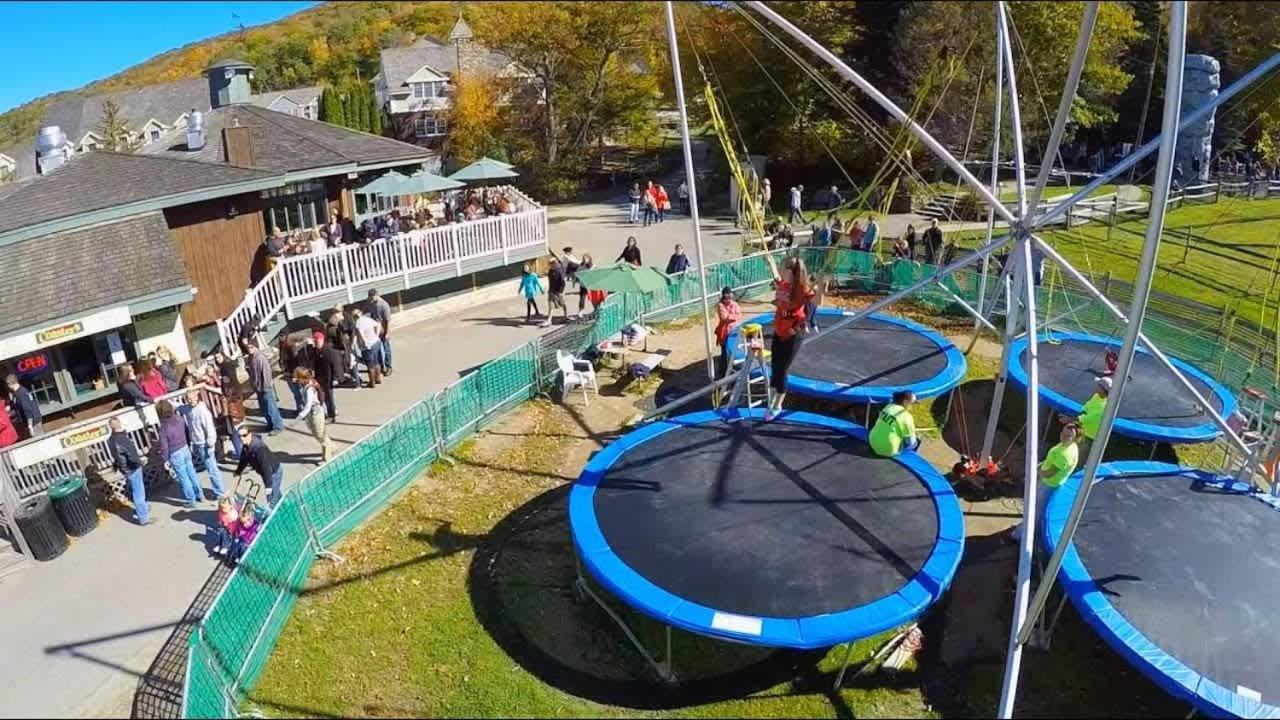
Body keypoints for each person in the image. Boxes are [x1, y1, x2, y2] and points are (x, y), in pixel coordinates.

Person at [767, 257, 814, 417]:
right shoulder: (784, 284)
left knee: (782, 369)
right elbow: (777, 278)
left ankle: (778, 405)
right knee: (774, 366)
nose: (780, 270)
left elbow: (816, 300)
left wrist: (821, 283)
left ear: (790, 272)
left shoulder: (801, 289)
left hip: (792, 333)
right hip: (779, 331)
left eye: (782, 268)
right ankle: (772, 397)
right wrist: (771, 264)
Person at [156, 400, 203, 508]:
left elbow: (164, 446)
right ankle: (199, 494)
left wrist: (165, 459)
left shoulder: (163, 428)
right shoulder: (179, 418)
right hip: (184, 447)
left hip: (174, 452)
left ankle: (191, 500)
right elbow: (186, 432)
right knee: (191, 472)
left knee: (183, 477)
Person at [107, 417, 150, 525]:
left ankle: (143, 509)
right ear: (119, 424)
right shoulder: (122, 439)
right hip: (132, 467)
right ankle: (143, 517)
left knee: (136, 490)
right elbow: (131, 455)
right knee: (139, 492)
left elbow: (118, 456)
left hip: (125, 469)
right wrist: (139, 463)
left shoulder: (110, 440)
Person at [184, 389, 226, 498]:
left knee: (212, 469)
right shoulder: (189, 409)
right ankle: (219, 491)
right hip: (197, 443)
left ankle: (220, 493)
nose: (190, 401)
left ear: (196, 397)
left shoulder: (202, 411)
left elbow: (210, 429)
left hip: (205, 444)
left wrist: (211, 444)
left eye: (192, 398)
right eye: (188, 399)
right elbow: (180, 407)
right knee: (210, 468)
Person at [235, 426, 284, 508]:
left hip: (274, 472)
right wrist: (238, 471)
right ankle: (283, 506)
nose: (241, 438)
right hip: (268, 472)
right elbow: (244, 459)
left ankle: (272, 515)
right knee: (276, 492)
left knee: (271, 499)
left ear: (250, 434)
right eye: (239, 436)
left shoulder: (258, 448)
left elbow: (266, 468)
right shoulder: (246, 446)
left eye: (244, 435)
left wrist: (268, 486)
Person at [293, 368, 333, 464]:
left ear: (302, 378)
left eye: (296, 377)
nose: (294, 380)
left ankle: (327, 457)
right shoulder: (306, 385)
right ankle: (330, 446)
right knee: (317, 433)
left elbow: (308, 405)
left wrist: (297, 418)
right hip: (311, 414)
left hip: (316, 413)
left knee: (320, 436)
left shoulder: (309, 389)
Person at [246, 342, 284, 434]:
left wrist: (266, 386)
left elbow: (266, 373)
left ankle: (277, 426)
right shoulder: (251, 358)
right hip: (258, 388)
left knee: (271, 407)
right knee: (264, 408)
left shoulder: (260, 358)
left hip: (265, 388)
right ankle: (270, 424)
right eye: (248, 347)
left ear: (256, 347)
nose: (249, 349)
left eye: (251, 347)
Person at [868, 390, 920, 457]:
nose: (912, 406)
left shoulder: (888, 406)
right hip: (888, 450)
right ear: (905, 402)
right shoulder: (906, 417)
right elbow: (911, 443)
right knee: (916, 441)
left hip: (872, 442)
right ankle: (907, 458)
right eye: (912, 404)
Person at [1074, 376, 1110, 458]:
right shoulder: (1096, 396)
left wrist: (1069, 419)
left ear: (1102, 389)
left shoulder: (1103, 407)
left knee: (1079, 456)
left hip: (1088, 436)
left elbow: (1085, 419)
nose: (1096, 387)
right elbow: (1086, 407)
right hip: (1082, 430)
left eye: (1098, 385)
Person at [714, 287, 742, 379]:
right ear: (723, 295)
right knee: (724, 354)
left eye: (730, 294)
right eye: (727, 294)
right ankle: (722, 374)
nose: (729, 296)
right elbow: (724, 317)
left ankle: (732, 371)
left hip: (734, 331)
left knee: (733, 352)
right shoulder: (720, 305)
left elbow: (739, 315)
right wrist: (733, 317)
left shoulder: (735, 304)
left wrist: (732, 317)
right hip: (725, 332)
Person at [352, 307, 384, 387]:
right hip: (375, 343)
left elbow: (361, 334)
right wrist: (376, 335)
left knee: (370, 365)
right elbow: (378, 325)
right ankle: (378, 379)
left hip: (367, 346)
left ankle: (372, 383)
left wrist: (364, 342)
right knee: (376, 362)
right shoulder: (367, 319)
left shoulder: (358, 323)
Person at [367, 289, 394, 376]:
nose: (371, 298)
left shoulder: (384, 305)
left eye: (372, 296)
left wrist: (387, 333)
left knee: (386, 350)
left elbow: (388, 320)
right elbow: (372, 315)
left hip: (383, 329)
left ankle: (388, 367)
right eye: (370, 297)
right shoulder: (372, 303)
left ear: (377, 295)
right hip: (375, 330)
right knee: (377, 349)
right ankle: (380, 366)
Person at [6, 375, 41, 439]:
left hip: (34, 423)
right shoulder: (16, 393)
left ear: (10, 383)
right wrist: (9, 407)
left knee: (39, 442)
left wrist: (30, 426)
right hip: (29, 422)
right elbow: (17, 406)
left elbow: (27, 410)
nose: (7, 386)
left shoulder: (21, 393)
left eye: (7, 384)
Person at [279, 335, 303, 415]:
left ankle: (302, 408)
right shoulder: (283, 346)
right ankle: (299, 408)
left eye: (282, 336)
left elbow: (295, 362)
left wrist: (293, 374)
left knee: (297, 391)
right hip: (288, 373)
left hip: (292, 373)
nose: (280, 337)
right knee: (296, 392)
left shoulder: (290, 348)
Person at [542, 257, 569, 328]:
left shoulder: (559, 271)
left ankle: (565, 316)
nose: (550, 265)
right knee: (550, 305)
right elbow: (550, 280)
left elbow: (563, 282)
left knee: (562, 304)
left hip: (558, 291)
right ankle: (549, 320)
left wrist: (561, 292)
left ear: (555, 263)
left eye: (551, 264)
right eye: (549, 264)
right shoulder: (550, 271)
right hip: (551, 291)